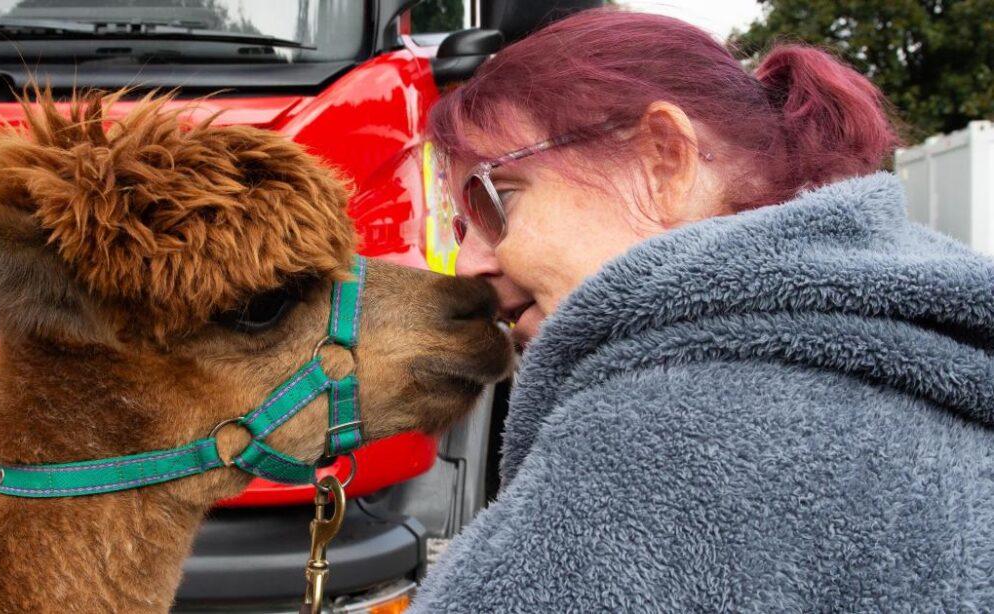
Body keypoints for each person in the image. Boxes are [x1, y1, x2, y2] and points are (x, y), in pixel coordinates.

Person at [411, 7, 994, 612]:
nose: (467, 263)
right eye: (458, 224)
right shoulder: (932, 355)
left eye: (492, 198)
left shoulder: (651, 435)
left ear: (665, 160)